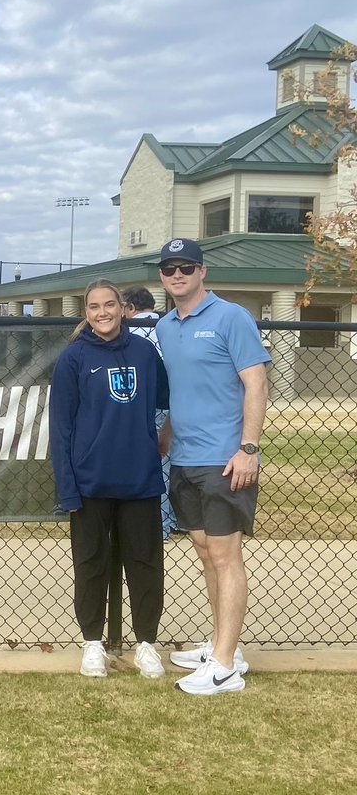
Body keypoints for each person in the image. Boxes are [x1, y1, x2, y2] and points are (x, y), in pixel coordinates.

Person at [155, 239, 270, 696]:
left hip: (224, 460)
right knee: (205, 553)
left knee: (225, 556)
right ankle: (226, 646)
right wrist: (167, 434)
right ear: (161, 276)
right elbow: (179, 388)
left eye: (185, 267)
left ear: (202, 272)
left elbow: (256, 383)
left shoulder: (231, 317)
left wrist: (249, 448)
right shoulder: (165, 326)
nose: (177, 275)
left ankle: (223, 668)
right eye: (169, 269)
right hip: (184, 458)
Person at [49, 279, 169, 679]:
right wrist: (68, 489)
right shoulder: (73, 359)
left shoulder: (144, 352)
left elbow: (169, 399)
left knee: (145, 565)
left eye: (109, 305)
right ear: (86, 313)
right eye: (94, 306)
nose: (102, 312)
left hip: (140, 480)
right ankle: (92, 644)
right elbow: (61, 429)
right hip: (90, 484)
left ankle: (146, 645)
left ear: (123, 308)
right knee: (90, 565)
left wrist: (165, 438)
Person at [122, 285, 183, 540]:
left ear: (130, 307)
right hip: (181, 400)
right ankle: (180, 520)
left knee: (159, 464)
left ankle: (162, 525)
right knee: (179, 462)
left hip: (152, 402)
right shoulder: (169, 326)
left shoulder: (130, 330)